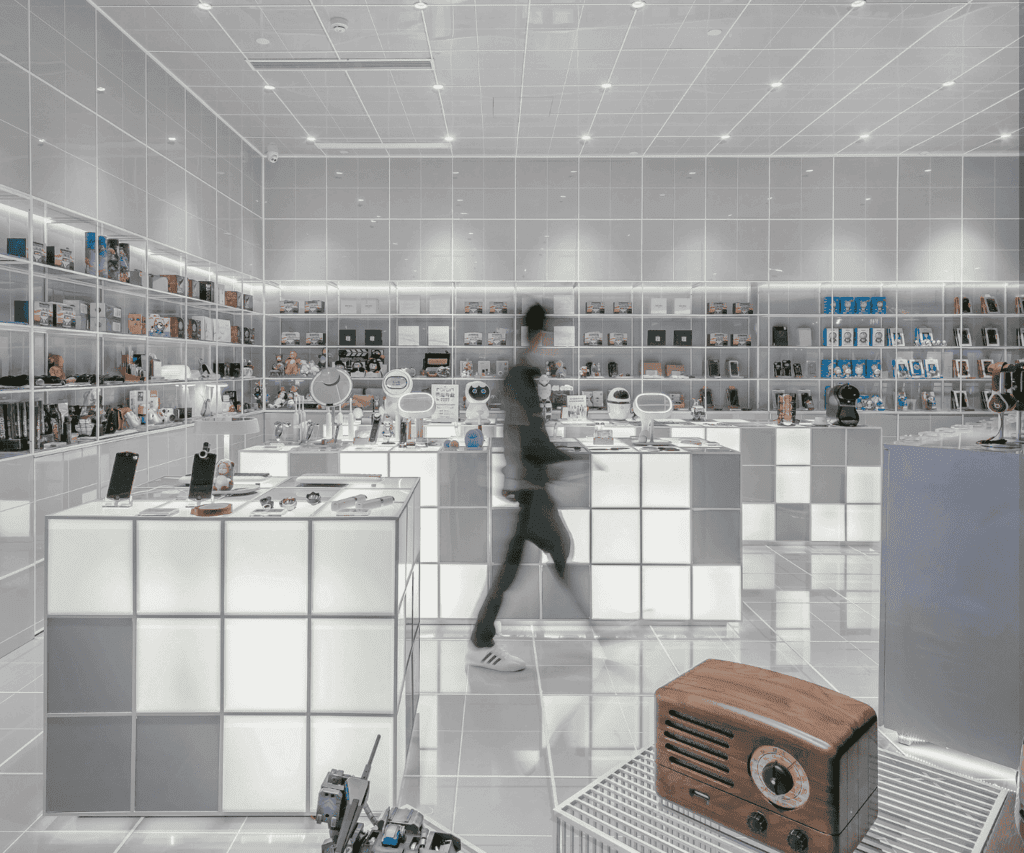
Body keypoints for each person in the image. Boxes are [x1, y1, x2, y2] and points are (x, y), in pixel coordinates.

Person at [467, 303, 583, 672]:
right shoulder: (521, 376)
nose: (555, 351)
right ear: (541, 337)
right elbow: (531, 440)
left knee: (548, 553)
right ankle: (480, 641)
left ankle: (482, 639)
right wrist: (573, 458)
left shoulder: (522, 374)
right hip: (531, 485)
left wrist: (510, 473)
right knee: (540, 557)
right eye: (551, 340)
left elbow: (516, 433)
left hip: (530, 484)